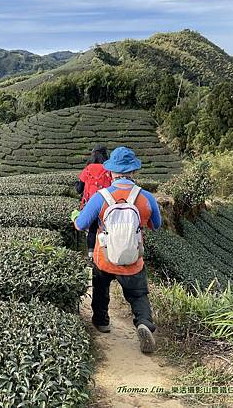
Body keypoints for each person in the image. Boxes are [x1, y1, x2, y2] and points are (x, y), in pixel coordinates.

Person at [73, 146, 162, 353]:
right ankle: (143, 324)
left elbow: (81, 224)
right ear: (133, 172)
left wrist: (74, 216)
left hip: (104, 257)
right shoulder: (146, 197)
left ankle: (102, 321)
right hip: (133, 259)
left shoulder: (101, 197)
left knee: (101, 288)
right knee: (138, 294)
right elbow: (156, 225)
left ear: (111, 172)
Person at [75, 145, 111, 261]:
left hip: (90, 204)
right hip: (107, 204)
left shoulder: (88, 169)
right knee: (107, 229)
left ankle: (91, 255)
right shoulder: (110, 169)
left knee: (92, 229)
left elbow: (79, 189)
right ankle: (107, 254)